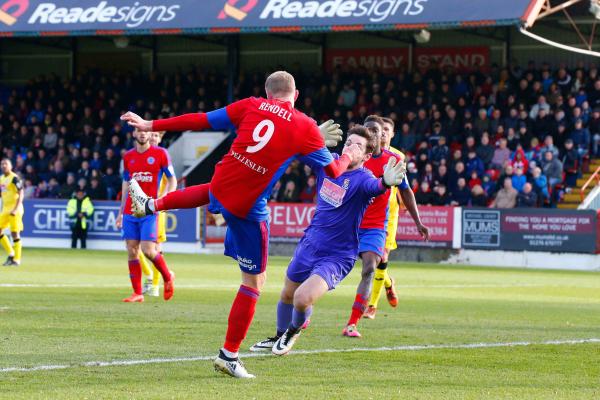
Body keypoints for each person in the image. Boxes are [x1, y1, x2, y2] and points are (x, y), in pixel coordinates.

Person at [122, 71, 361, 379]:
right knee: (253, 283)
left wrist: (150, 124)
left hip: (222, 187)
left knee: (212, 188)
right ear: (296, 95)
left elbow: (200, 119)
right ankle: (229, 355)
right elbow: (334, 171)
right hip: (247, 208)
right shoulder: (304, 126)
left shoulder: (251, 105)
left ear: (267, 92)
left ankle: (151, 204)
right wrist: (346, 154)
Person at [249, 126, 408, 355]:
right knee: (286, 294)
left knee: (302, 299)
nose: (351, 147)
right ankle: (278, 335)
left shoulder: (364, 179)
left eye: (358, 145)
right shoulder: (330, 162)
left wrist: (385, 182)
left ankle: (293, 331)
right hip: (310, 244)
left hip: (337, 256)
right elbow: (297, 153)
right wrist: (311, 139)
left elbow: (375, 187)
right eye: (349, 142)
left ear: (365, 156)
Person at [342, 115, 429, 338]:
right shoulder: (353, 157)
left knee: (371, 267)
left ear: (384, 135)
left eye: (378, 131)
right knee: (329, 266)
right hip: (349, 221)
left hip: (375, 225)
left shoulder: (393, 160)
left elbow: (406, 191)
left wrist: (418, 222)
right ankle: (304, 312)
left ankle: (352, 323)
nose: (374, 134)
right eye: (369, 130)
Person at [116, 129, 177, 304]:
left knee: (149, 250)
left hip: (149, 210)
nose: (143, 134)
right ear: (133, 133)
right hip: (130, 211)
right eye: (139, 131)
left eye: (146, 131)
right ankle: (137, 293)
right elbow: (126, 183)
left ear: (150, 135)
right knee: (132, 250)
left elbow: (172, 179)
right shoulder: (128, 156)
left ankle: (167, 277)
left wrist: (167, 198)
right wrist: (121, 212)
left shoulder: (160, 154)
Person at [364, 117, 406, 319]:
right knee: (371, 259)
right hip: (367, 210)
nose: (383, 134)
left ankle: (371, 305)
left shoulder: (398, 156)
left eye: (387, 130)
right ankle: (388, 282)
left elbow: (402, 184)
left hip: (389, 213)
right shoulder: (367, 152)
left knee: (382, 256)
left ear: (391, 134)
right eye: (381, 130)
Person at [139, 131, 176, 297]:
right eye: (151, 135)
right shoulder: (142, 156)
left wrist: (163, 200)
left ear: (160, 139)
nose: (152, 137)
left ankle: (154, 285)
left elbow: (171, 180)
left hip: (156, 209)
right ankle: (149, 276)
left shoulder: (162, 156)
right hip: (140, 208)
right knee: (134, 246)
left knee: (155, 248)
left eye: (156, 135)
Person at [0, 159, 24, 266]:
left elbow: (21, 193)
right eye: (2, 164)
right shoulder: (1, 178)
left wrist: (16, 209)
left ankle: (17, 260)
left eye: (6, 164)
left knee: (15, 233)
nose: (4, 166)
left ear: (11, 166)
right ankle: (11, 253)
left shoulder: (15, 178)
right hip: (5, 209)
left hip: (15, 209)